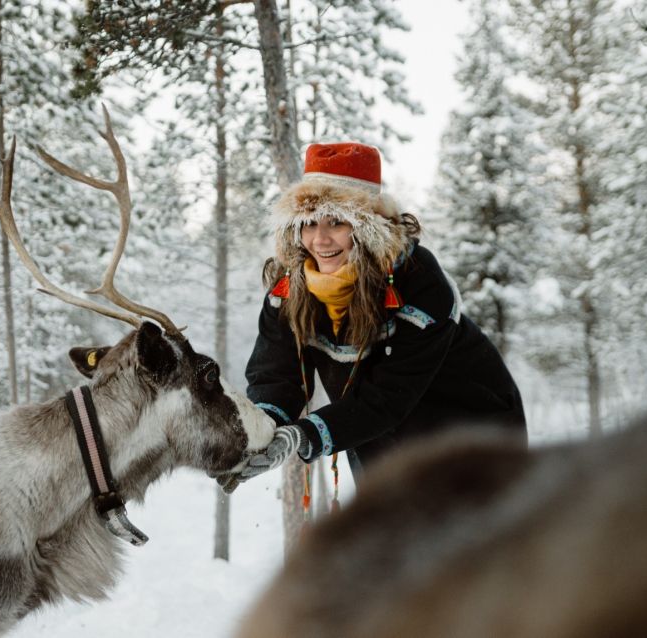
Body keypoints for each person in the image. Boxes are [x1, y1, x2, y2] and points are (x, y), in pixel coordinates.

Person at [222, 142, 526, 490]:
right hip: (379, 434)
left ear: (367, 227)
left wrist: (305, 435)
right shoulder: (291, 288)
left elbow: (388, 395)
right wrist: (261, 434)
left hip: (472, 435)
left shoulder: (418, 282)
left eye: (336, 222)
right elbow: (275, 371)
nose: (320, 240)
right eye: (308, 223)